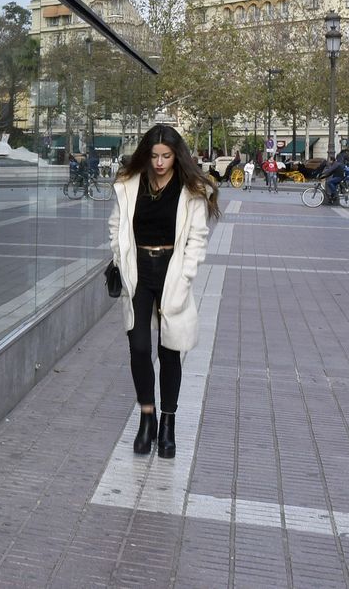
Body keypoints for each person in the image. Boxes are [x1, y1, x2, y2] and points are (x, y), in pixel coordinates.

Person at [107, 124, 218, 459]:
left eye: (166, 156)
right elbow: (117, 225)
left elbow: (197, 239)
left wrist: (185, 277)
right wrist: (118, 256)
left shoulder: (191, 189)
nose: (159, 162)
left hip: (172, 271)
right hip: (138, 271)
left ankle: (168, 423)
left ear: (176, 155)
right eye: (154, 156)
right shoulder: (130, 184)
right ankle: (147, 417)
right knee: (138, 346)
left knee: (170, 350)